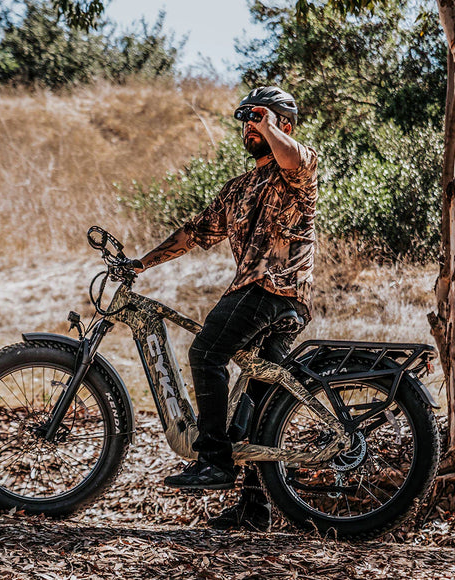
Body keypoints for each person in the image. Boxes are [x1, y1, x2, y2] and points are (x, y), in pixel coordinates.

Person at [134, 86, 317, 531]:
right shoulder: (238, 189)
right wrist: (141, 264)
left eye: (259, 118)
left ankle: (214, 461)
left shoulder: (297, 169)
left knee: (205, 353)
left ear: (283, 125)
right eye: (247, 121)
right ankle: (256, 510)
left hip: (271, 290)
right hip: (269, 299)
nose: (249, 127)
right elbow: (194, 233)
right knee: (258, 403)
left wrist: (270, 125)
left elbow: (293, 158)